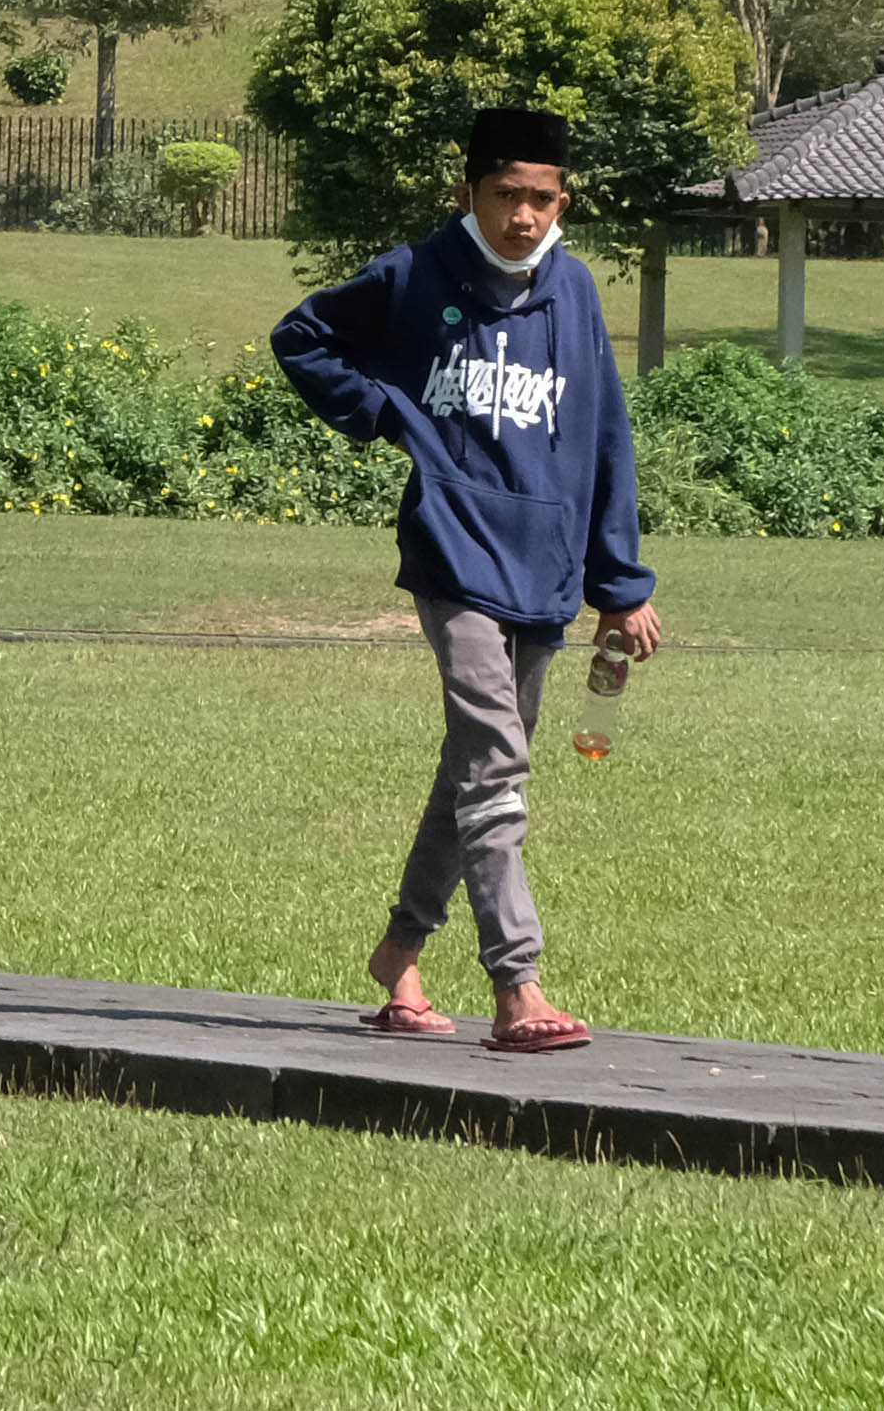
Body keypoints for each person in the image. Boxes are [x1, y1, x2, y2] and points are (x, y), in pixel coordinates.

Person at [268, 105, 661, 1054]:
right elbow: (302, 336)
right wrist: (388, 414)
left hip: (547, 561)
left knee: (474, 769)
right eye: (505, 196)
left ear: (561, 201)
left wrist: (622, 582)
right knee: (499, 762)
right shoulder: (415, 274)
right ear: (470, 193)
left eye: (542, 199)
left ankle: (400, 950)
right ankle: (516, 984)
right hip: (454, 552)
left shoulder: (573, 293)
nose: (524, 217)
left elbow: (605, 437)